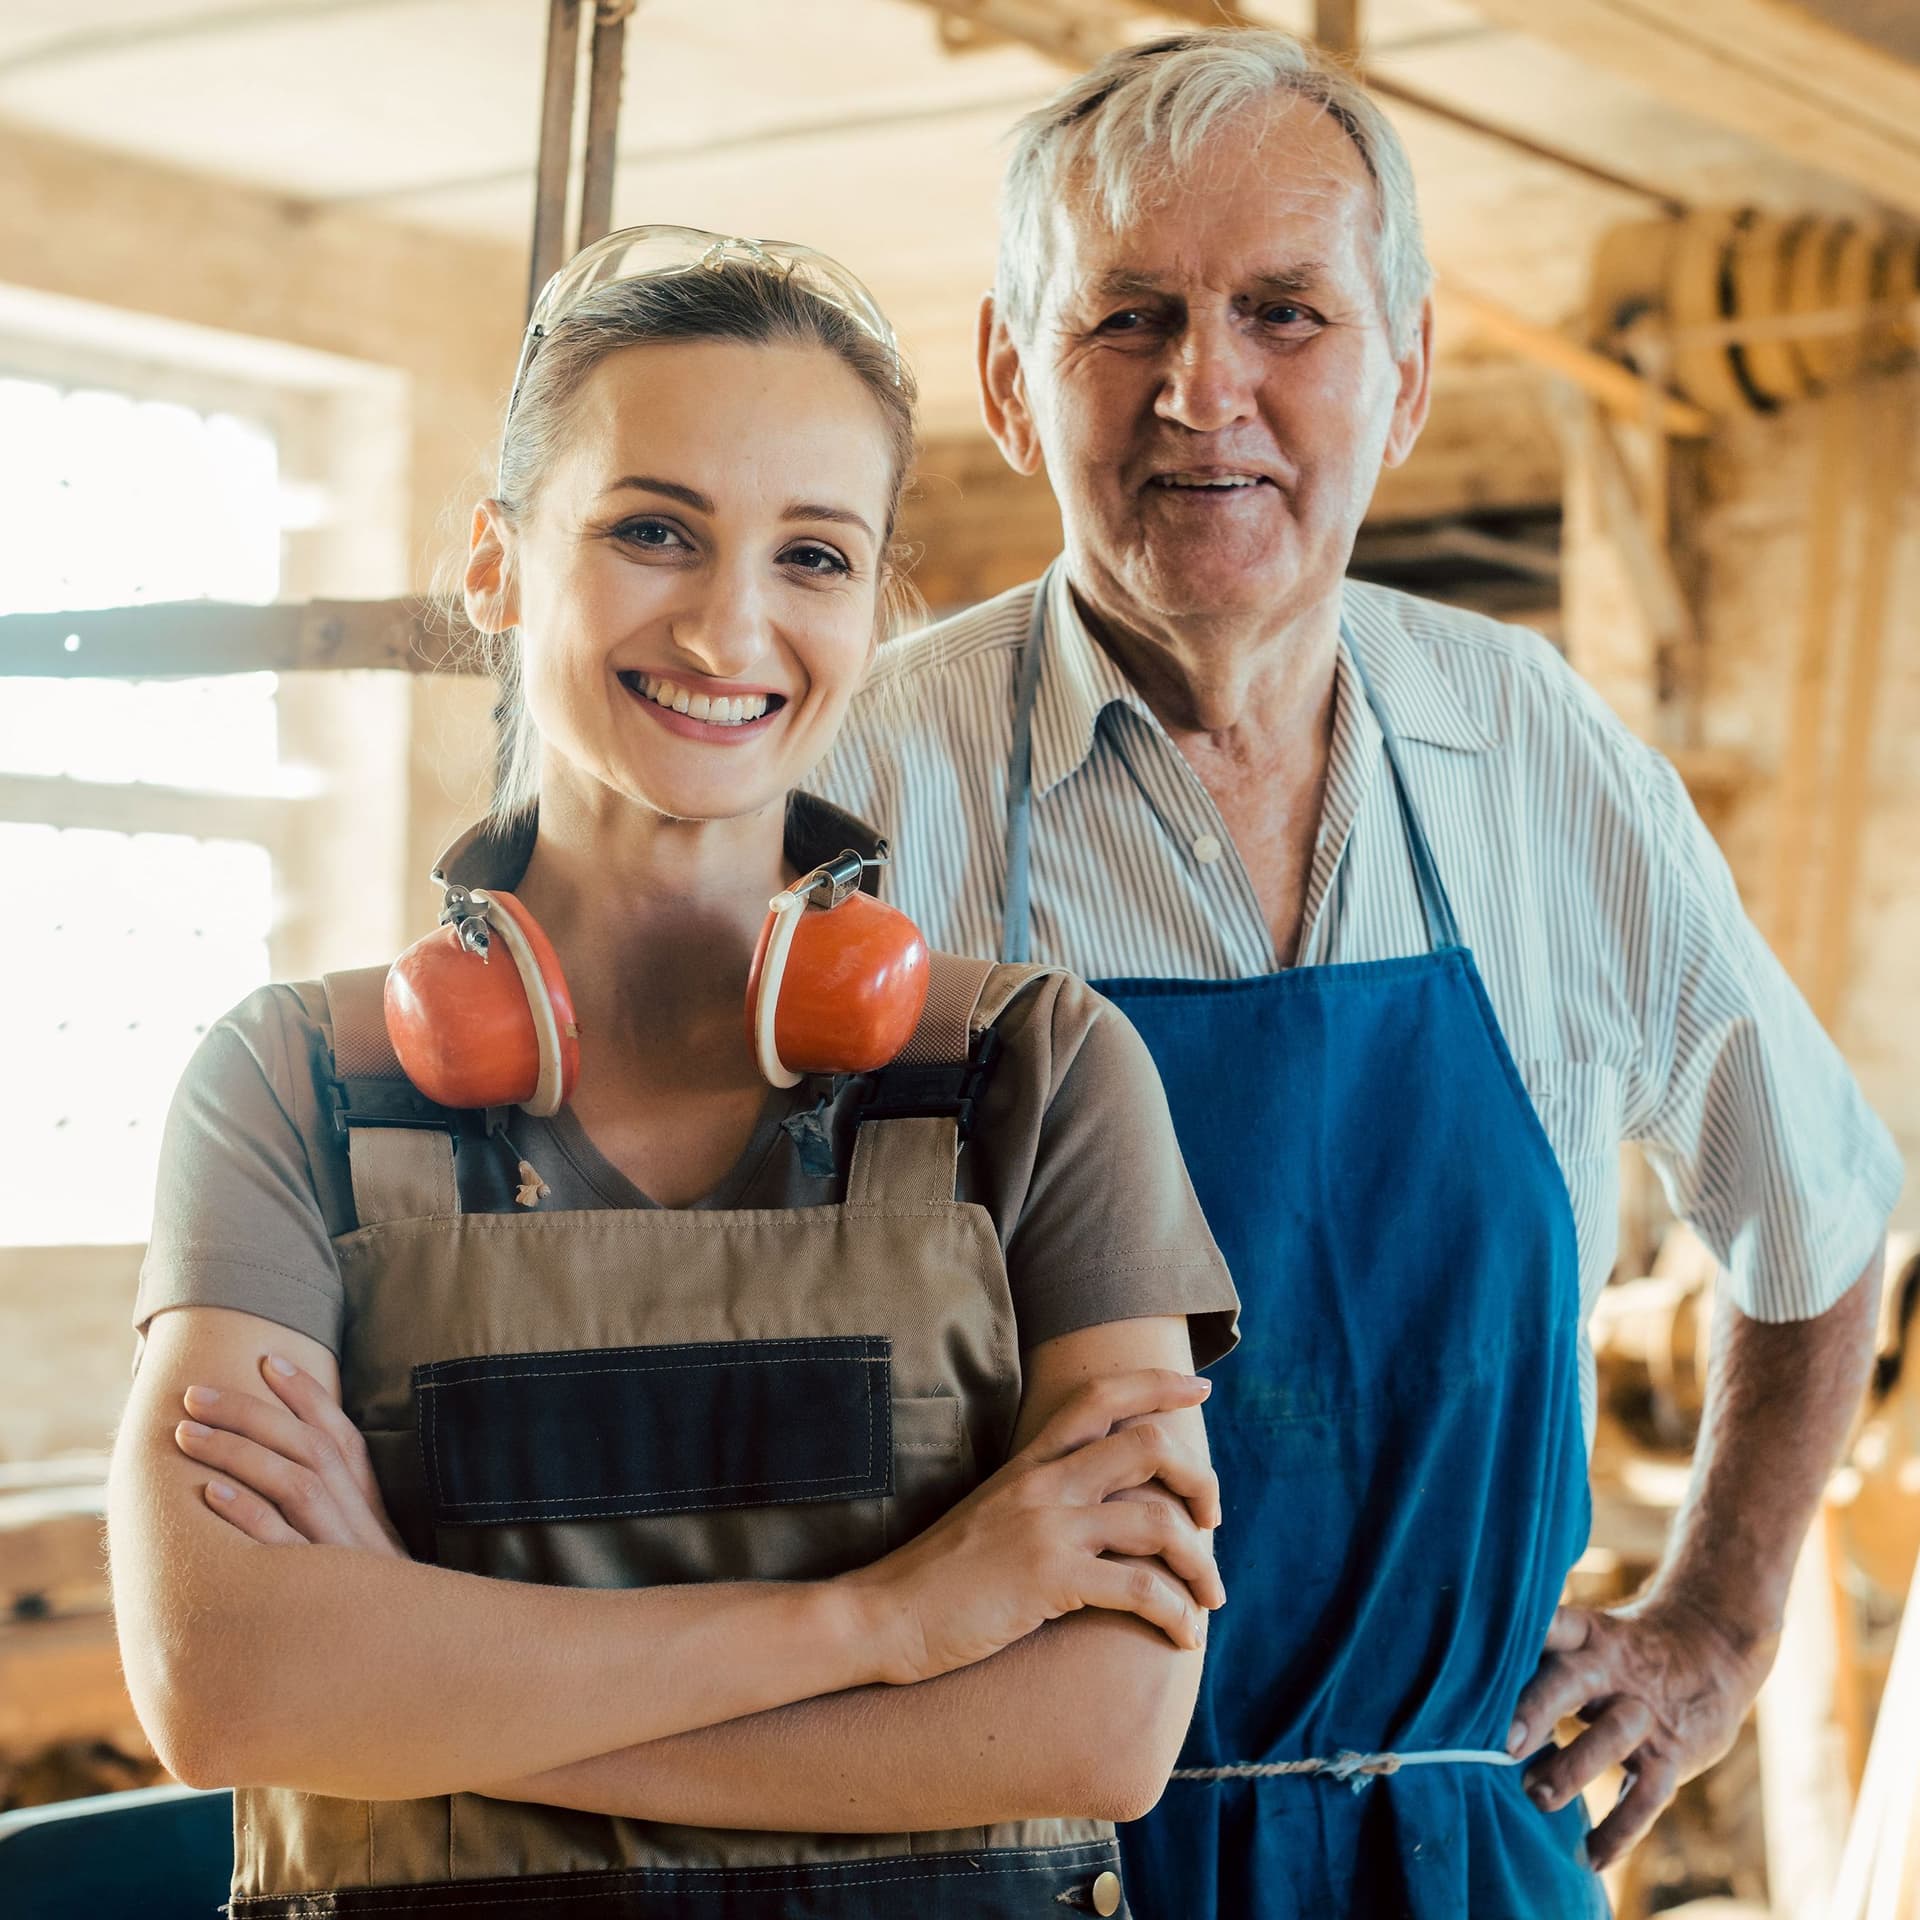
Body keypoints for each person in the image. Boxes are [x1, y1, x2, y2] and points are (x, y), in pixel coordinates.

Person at [806, 29, 1905, 1919]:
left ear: (1400, 382)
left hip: (1455, 1856)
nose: (1201, 389)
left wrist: (1719, 1620)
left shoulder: (1537, 754)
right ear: (1007, 375)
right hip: (995, 1866)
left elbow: (1815, 1218)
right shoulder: (851, 790)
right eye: (1125, 317)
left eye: (1286, 315)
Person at [107, 228, 1241, 1920]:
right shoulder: (293, 1087)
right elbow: (228, 1684)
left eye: (813, 555)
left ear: (870, 602)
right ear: (496, 564)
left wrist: (418, 1693)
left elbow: (1095, 1724)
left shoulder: (1037, 1076)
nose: (730, 626)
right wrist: (890, 1623)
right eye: (651, 531)